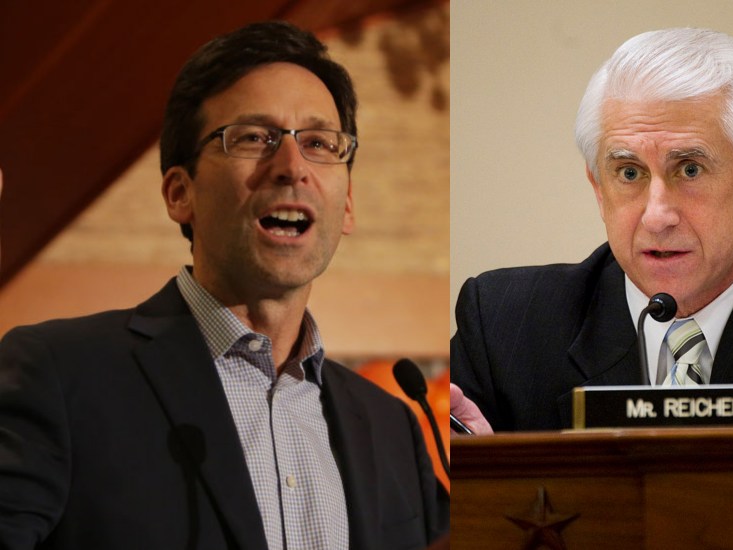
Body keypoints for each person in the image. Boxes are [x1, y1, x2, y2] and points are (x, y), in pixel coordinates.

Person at [0, 21, 448, 549]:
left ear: (346, 205)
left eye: (320, 143)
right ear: (178, 193)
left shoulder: (392, 427)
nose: (291, 167)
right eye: (254, 137)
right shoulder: (58, 375)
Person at [451, 28, 733, 433]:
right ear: (598, 189)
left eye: (689, 169)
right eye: (629, 173)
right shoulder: (502, 327)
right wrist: (479, 486)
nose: (656, 216)